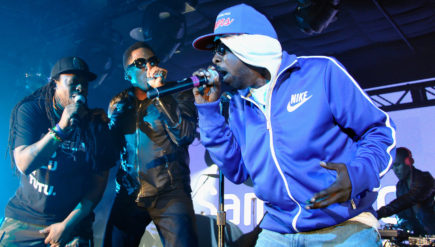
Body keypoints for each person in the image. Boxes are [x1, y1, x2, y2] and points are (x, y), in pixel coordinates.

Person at [191, 3, 396, 246]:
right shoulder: (238, 105)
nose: (214, 59)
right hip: (277, 232)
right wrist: (208, 112)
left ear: (250, 47)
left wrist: (358, 175)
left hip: (344, 227)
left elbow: (378, 131)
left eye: (222, 49)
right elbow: (236, 171)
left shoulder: (320, 73)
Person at [0, 56, 116, 246]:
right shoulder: (31, 111)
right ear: (55, 84)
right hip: (25, 218)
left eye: (84, 84)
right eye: (73, 82)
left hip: (70, 223)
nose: (80, 88)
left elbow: (98, 184)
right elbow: (23, 164)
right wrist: (61, 129)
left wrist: (67, 225)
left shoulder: (95, 125)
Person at [103, 42, 198, 247]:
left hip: (170, 192)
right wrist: (115, 120)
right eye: (140, 63)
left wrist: (160, 93)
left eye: (152, 61)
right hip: (130, 193)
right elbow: (109, 152)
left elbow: (184, 135)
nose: (148, 67)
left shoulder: (178, 91)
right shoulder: (118, 102)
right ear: (127, 73)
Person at [377, 147, 435, 235]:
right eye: (393, 167)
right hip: (418, 234)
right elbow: (403, 213)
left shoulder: (424, 178)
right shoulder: (400, 186)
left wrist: (380, 213)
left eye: (398, 165)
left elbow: (411, 198)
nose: (395, 170)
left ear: (408, 162)